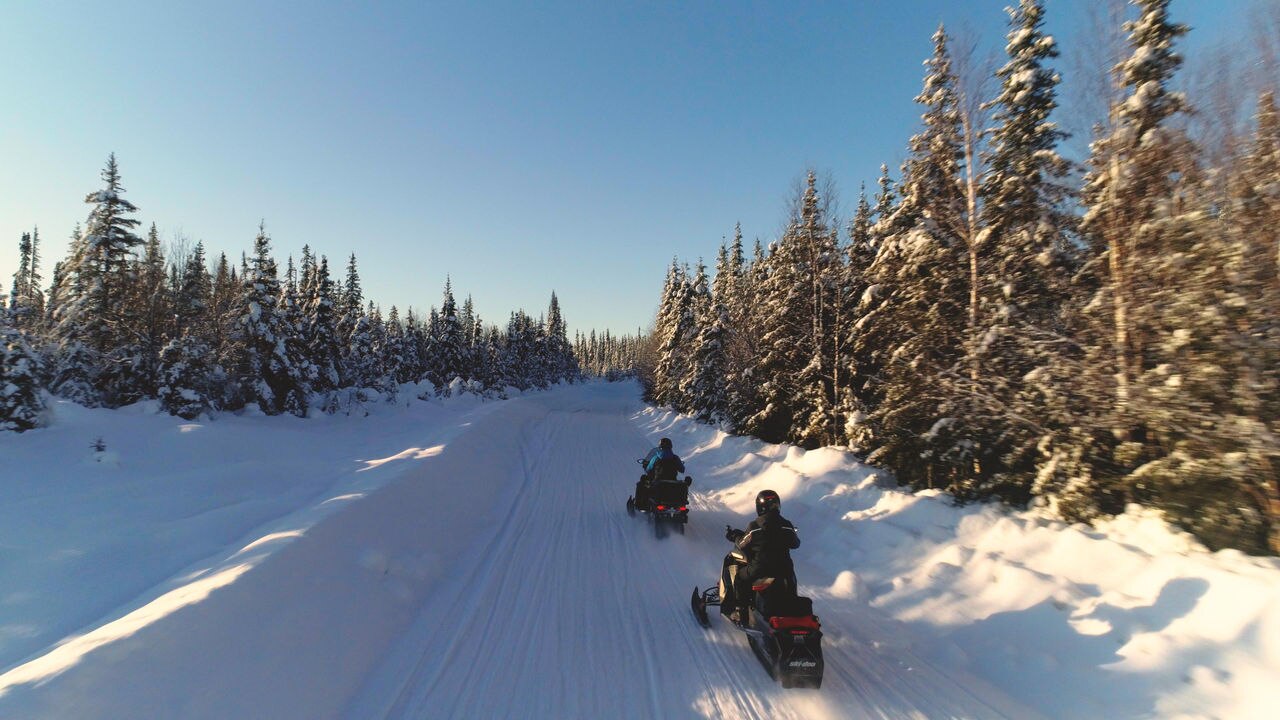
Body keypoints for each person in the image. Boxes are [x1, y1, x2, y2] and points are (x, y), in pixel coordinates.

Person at [721, 489, 800, 624]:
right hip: (784, 569)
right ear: (777, 505)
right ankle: (792, 607)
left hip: (761, 568)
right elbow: (796, 543)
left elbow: (742, 543)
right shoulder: (787, 525)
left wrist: (734, 536)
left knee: (740, 578)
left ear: (760, 506)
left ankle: (742, 612)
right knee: (791, 579)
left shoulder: (755, 526)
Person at [635, 437, 685, 507]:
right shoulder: (675, 458)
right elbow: (682, 469)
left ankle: (640, 505)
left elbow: (648, 469)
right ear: (671, 447)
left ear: (660, 447)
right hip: (672, 483)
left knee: (642, 482)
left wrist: (647, 466)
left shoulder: (656, 458)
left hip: (657, 483)